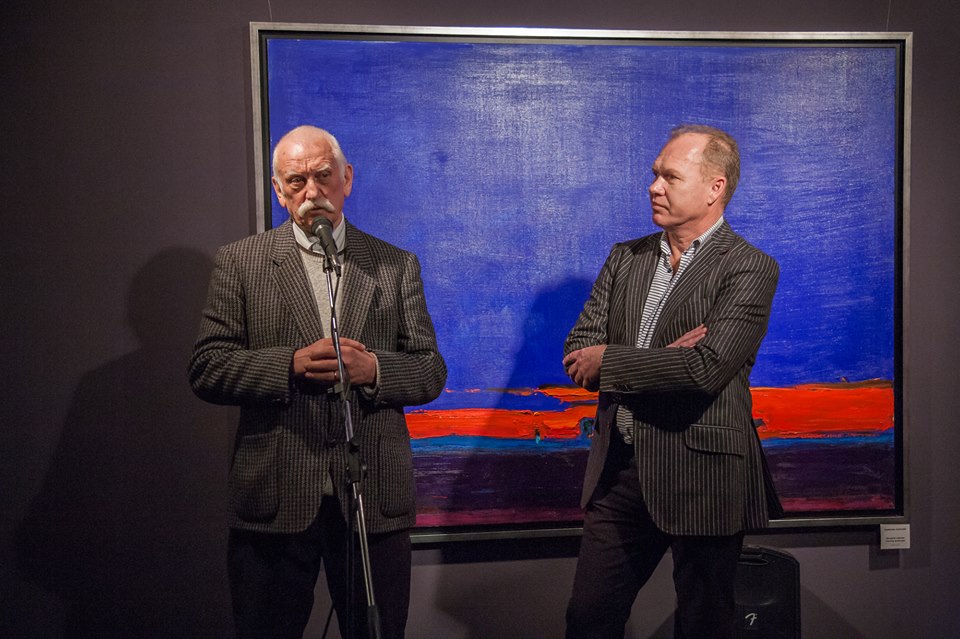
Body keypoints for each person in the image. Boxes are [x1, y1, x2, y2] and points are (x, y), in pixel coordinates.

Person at [189, 125, 446, 639]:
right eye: (296, 181)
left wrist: (375, 370)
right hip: (275, 497)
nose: (312, 192)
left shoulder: (395, 265)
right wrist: (288, 365)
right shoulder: (241, 262)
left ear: (346, 178)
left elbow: (429, 369)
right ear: (278, 190)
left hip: (371, 500)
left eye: (323, 176)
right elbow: (209, 367)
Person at [562, 125, 780, 639]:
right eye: (655, 175)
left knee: (704, 625)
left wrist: (614, 361)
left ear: (715, 187)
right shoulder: (626, 257)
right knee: (587, 620)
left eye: (670, 177)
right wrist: (661, 359)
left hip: (705, 476)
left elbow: (705, 370)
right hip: (620, 474)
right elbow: (579, 355)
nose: (654, 187)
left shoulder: (750, 268)